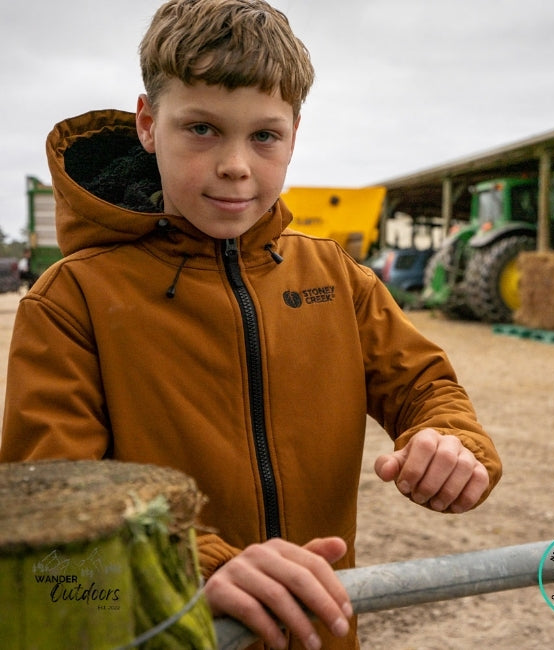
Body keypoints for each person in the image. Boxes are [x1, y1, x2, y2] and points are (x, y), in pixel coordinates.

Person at [0, 1, 502, 648]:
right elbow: (55, 511)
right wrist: (199, 565)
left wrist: (452, 442)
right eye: (202, 129)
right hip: (168, 628)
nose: (236, 164)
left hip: (318, 633)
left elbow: (426, 387)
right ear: (149, 124)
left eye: (264, 136)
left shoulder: (337, 279)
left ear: (295, 132)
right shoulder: (70, 302)